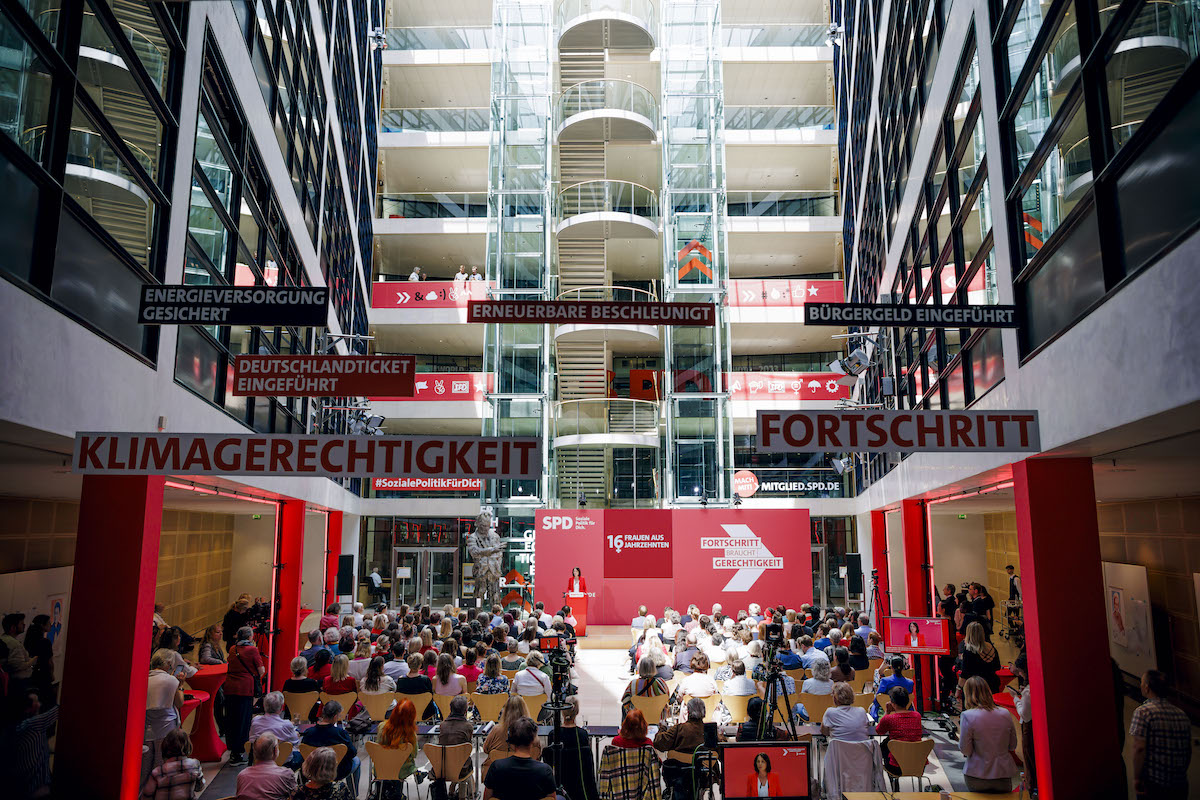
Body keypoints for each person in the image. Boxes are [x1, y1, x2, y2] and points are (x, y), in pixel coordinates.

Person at [1130, 669, 1192, 799]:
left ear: (1146, 688)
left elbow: (1139, 748)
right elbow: (1187, 751)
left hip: (1154, 785)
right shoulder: (1181, 714)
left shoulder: (1143, 712)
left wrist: (1137, 777)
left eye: (1142, 682)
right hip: (1179, 785)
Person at [959, 676, 1017, 792]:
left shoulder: (967, 716)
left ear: (967, 694)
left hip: (977, 774)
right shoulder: (1005, 713)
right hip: (1003, 773)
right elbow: (1012, 745)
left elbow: (966, 750)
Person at [483, 716, 556, 800]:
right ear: (533, 740)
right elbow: (552, 798)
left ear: (510, 740)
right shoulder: (545, 770)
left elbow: (486, 798)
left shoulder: (496, 767)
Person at [544, 695, 598, 800]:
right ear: (576, 712)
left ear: (562, 711)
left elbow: (549, 763)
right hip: (579, 787)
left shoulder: (554, 734)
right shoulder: (582, 735)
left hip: (560, 784)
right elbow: (588, 767)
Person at [9, 689, 59, 798]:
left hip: (23, 790)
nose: (39, 704)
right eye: (36, 702)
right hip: (39, 790)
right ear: (27, 709)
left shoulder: (18, 728)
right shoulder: (34, 724)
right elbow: (58, 710)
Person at [226, 625, 265, 763]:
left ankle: (232, 749)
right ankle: (240, 750)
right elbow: (261, 671)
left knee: (232, 719)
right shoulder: (252, 650)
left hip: (230, 686)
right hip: (245, 688)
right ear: (250, 637)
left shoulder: (232, 649)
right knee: (243, 720)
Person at [301, 700, 359, 786]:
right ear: (335, 716)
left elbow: (303, 751)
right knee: (356, 760)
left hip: (313, 770)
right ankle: (353, 794)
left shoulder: (308, 732)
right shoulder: (340, 733)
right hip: (336, 771)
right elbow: (352, 753)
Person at [140, 728, 204, 799]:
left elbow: (146, 795)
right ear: (188, 746)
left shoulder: (158, 772)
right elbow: (200, 787)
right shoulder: (194, 764)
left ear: (165, 746)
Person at [876, 685, 924, 778]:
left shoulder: (889, 718)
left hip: (896, 767)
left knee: (883, 746)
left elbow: (879, 731)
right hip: (918, 765)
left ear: (892, 702)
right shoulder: (917, 716)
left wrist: (887, 712)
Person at [431, 695, 473, 800]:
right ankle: (469, 794)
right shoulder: (468, 726)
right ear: (466, 711)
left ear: (450, 709)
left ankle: (451, 790)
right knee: (464, 760)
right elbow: (468, 747)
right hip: (461, 769)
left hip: (442, 768)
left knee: (454, 757)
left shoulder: (443, 725)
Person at [376, 698, 418, 797]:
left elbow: (378, 748)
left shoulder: (382, 727)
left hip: (381, 768)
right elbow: (414, 754)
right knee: (407, 763)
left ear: (394, 711)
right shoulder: (411, 735)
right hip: (401, 770)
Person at [236, 733, 297, 800]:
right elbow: (296, 797)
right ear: (275, 751)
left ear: (254, 752)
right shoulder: (286, 774)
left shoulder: (242, 775)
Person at [249, 692, 302, 768]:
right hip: (284, 763)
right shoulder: (287, 725)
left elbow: (251, 739)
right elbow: (295, 742)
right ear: (281, 708)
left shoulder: (255, 721)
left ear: (264, 706)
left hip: (259, 760)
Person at [1007, 653, 1036, 793]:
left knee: (1029, 757)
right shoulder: (1034, 686)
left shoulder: (1029, 691)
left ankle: (1031, 788)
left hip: (1028, 727)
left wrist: (1016, 699)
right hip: (1033, 726)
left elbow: (1024, 713)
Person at [958, 621, 1002, 696]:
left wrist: (958, 688)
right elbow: (997, 666)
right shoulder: (991, 647)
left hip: (976, 689)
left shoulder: (969, 651)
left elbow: (965, 674)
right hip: (992, 685)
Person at [23, 615, 53, 701]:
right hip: (44, 675)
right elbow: (49, 662)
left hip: (31, 676)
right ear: (42, 626)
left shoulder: (28, 641)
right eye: (49, 623)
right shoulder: (45, 642)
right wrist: (51, 674)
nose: (51, 625)